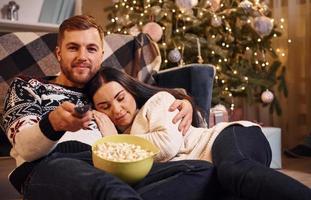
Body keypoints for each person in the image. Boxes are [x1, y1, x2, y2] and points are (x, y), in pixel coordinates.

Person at [1, 15, 218, 200]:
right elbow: (25, 147)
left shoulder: (104, 92)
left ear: (101, 54)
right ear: (59, 53)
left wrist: (184, 103)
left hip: (120, 165)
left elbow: (148, 102)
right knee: (110, 189)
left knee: (202, 171)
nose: (82, 56)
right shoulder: (28, 86)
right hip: (54, 164)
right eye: (73, 48)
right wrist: (53, 124)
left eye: (91, 48)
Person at [85, 67, 311, 200]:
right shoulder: (110, 134)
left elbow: (167, 144)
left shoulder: (157, 102)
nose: (116, 110)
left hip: (226, 139)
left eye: (120, 98)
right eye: (104, 107)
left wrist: (113, 141)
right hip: (206, 170)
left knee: (234, 169)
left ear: (131, 90)